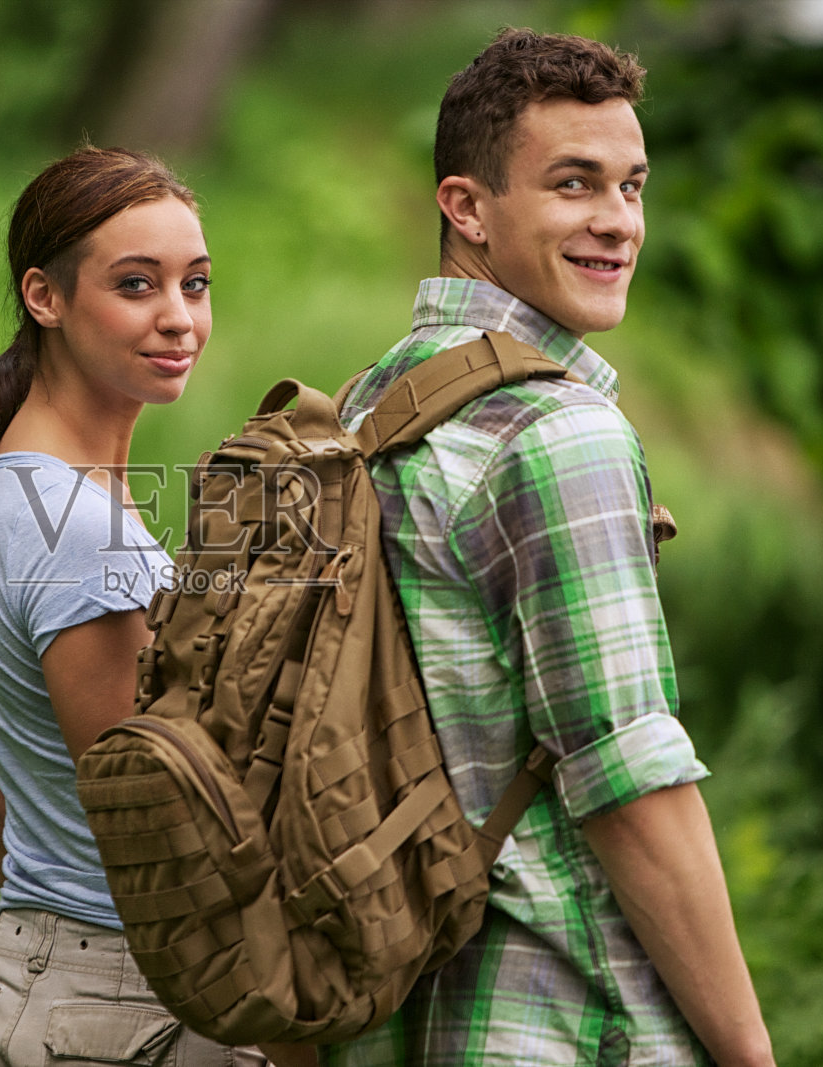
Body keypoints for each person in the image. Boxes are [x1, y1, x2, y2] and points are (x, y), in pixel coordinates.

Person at [323, 29, 777, 1067]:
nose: (617, 222)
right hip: (567, 1010)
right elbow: (626, 775)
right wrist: (751, 1052)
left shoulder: (374, 401)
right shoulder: (555, 432)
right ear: (466, 206)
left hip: (409, 1001)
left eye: (632, 186)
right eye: (574, 184)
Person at [0, 146, 265, 1067]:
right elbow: (163, 836)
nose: (179, 318)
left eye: (195, 284)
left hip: (22, 987)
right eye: (136, 284)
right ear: (45, 296)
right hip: (131, 1008)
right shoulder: (84, 534)